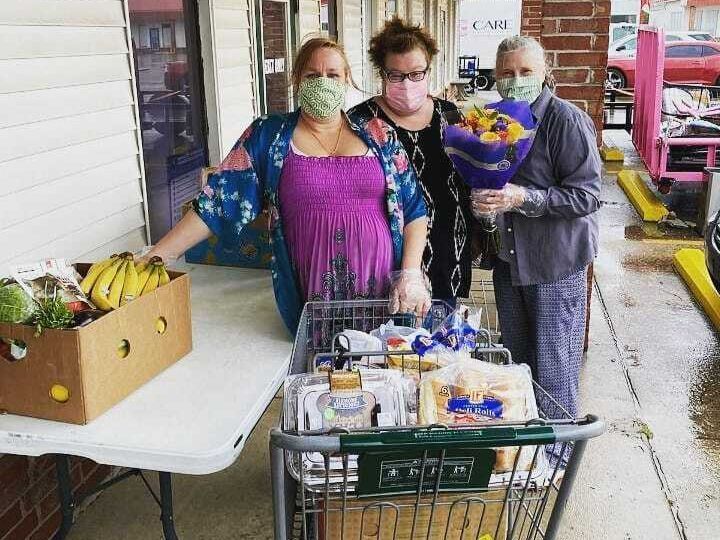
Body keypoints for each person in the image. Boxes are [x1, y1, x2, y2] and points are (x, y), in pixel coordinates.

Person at [148, 37, 430, 334]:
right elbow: (217, 202)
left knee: (383, 373)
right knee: (320, 374)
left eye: (333, 74)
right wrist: (159, 255)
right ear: (297, 80)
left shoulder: (378, 134)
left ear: (346, 79)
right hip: (312, 302)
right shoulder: (269, 136)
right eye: (312, 75)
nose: (323, 82)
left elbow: (414, 210)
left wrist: (410, 273)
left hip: (383, 298)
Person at [470, 35, 602, 417]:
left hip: (554, 267)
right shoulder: (493, 121)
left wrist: (524, 198)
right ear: (495, 77)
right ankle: (526, 455)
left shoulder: (566, 120)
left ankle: (557, 461)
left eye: (526, 71)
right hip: (509, 266)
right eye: (507, 72)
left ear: (545, 73)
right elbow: (487, 184)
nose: (516, 79)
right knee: (516, 367)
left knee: (555, 371)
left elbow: (587, 196)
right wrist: (485, 208)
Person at [349, 19, 472, 307]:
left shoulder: (450, 116)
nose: (407, 84)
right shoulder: (361, 122)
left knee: (441, 343)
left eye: (416, 74)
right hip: (388, 256)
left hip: (448, 248)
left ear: (429, 70)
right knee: (394, 342)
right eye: (396, 75)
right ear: (382, 73)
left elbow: (465, 175)